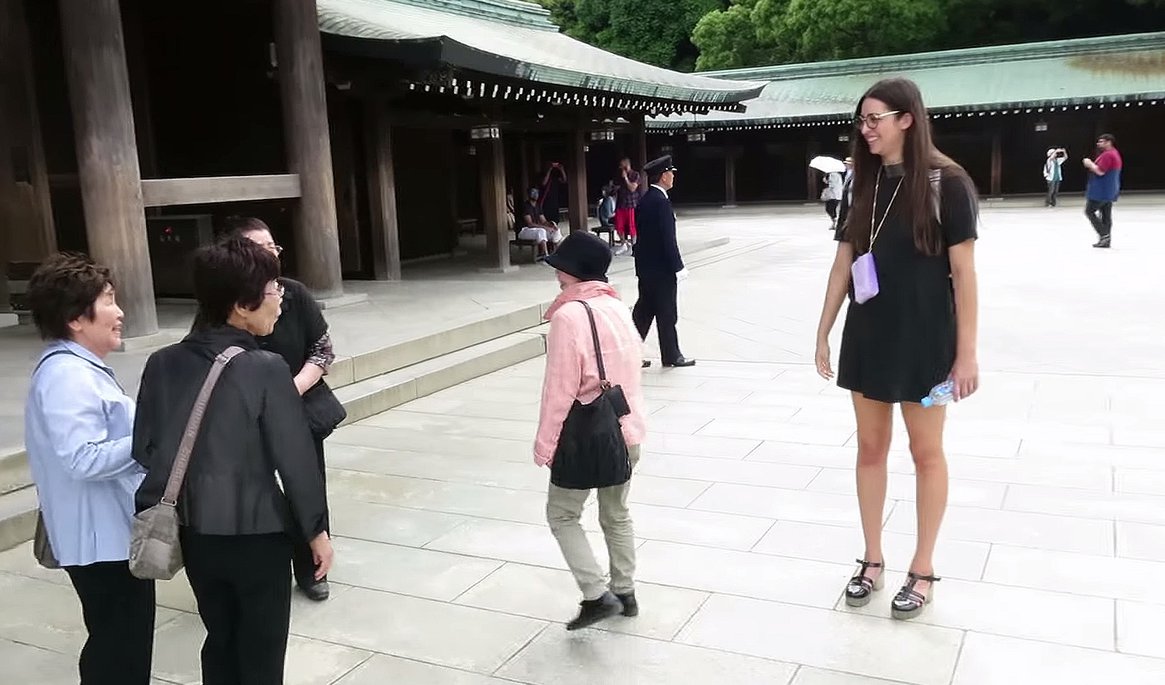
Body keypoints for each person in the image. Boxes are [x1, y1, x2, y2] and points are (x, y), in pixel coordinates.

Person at [814, 77, 979, 621]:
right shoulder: (860, 183)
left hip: (928, 340)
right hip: (869, 334)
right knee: (869, 449)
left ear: (906, 119)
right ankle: (872, 559)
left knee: (926, 453)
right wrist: (824, 330)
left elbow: (964, 274)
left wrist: (966, 354)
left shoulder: (947, 182)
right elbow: (843, 262)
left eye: (874, 120)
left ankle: (923, 567)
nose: (865, 131)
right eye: (861, 121)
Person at [133, 237, 333, 685]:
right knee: (261, 653)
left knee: (220, 640)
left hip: (194, 533)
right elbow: (296, 460)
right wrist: (316, 532)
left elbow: (144, 449)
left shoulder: (162, 363)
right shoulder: (265, 367)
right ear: (242, 306)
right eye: (273, 289)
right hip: (258, 533)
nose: (280, 299)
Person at [24, 253, 155, 685]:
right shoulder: (66, 375)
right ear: (76, 318)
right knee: (119, 649)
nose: (120, 313)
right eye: (109, 300)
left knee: (119, 643)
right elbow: (82, 457)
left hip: (107, 534)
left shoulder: (77, 368)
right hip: (100, 542)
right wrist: (152, 438)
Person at [535, 231, 647, 631]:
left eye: (560, 268)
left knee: (562, 514)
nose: (556, 275)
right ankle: (626, 592)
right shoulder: (617, 307)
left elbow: (559, 390)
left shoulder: (568, 317)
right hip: (627, 429)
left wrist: (545, 444)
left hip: (586, 436)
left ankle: (597, 595)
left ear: (572, 272)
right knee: (616, 514)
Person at [222, 216, 336, 602]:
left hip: (299, 409)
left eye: (273, 247)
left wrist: (290, 390)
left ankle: (312, 567)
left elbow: (322, 349)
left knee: (307, 485)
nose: (270, 255)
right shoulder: (228, 303)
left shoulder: (294, 293)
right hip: (245, 416)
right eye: (260, 249)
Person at [633, 155, 695, 369]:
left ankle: (628, 354)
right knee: (667, 313)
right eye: (670, 173)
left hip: (646, 268)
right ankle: (671, 355)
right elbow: (667, 238)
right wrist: (678, 266)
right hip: (661, 270)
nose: (673, 176)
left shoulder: (645, 200)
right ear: (663, 176)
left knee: (643, 314)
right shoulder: (660, 202)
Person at [1083, 133, 1123, 248]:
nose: (1098, 144)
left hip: (1101, 190)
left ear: (1108, 142)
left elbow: (1100, 171)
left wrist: (1089, 164)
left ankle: (1104, 235)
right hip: (1110, 190)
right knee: (1106, 215)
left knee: (1089, 211)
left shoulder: (1108, 155)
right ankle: (1106, 240)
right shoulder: (1115, 153)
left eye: (1101, 142)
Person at [521, 188, 564, 260]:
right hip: (525, 230)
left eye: (537, 192)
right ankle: (545, 254)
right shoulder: (526, 206)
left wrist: (552, 225)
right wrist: (545, 227)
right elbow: (530, 224)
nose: (536, 194)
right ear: (529, 194)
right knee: (541, 231)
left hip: (536, 230)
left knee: (556, 231)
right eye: (533, 192)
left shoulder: (538, 206)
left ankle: (557, 253)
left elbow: (544, 221)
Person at [613, 157, 641, 255]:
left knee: (632, 226)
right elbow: (615, 187)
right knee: (619, 226)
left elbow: (632, 188)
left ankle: (634, 246)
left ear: (627, 165)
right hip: (620, 204)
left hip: (631, 204)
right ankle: (623, 244)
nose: (620, 167)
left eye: (622, 165)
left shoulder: (635, 175)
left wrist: (625, 178)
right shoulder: (619, 175)